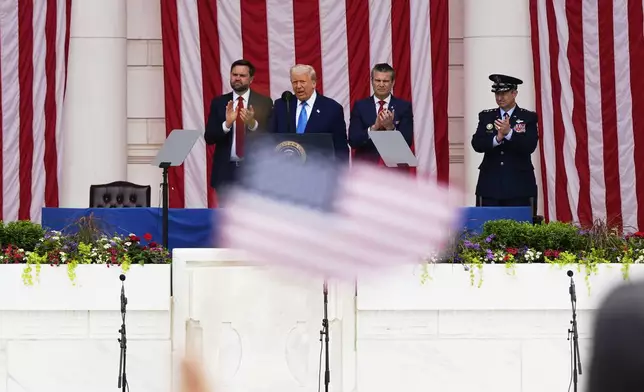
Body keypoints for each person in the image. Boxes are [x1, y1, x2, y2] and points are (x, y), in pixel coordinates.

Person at [471, 73, 539, 215]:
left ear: (514, 93)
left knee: (520, 231)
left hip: (519, 185)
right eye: (497, 94)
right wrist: (497, 138)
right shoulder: (486, 116)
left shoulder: (528, 117)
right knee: (486, 230)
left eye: (504, 93)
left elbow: (530, 145)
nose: (499, 98)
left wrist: (509, 133)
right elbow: (477, 144)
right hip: (490, 184)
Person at [204, 59, 273, 193]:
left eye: (242, 76)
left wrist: (252, 124)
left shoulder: (264, 102)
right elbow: (209, 137)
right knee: (226, 214)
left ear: (251, 79)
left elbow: (270, 137)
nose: (237, 78)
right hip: (226, 173)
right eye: (234, 75)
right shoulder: (219, 102)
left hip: (253, 171)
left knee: (252, 214)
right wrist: (227, 124)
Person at [269, 64, 348, 161]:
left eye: (302, 82)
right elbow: (271, 140)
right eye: (294, 82)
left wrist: (341, 174)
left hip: (320, 170)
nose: (298, 86)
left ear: (314, 83)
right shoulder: (282, 106)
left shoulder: (332, 109)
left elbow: (341, 148)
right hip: (287, 169)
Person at [348, 63, 413, 164]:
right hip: (367, 169)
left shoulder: (404, 107)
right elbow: (353, 141)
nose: (381, 84)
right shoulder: (360, 106)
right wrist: (374, 128)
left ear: (393, 82)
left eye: (386, 81)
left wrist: (390, 128)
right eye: (378, 80)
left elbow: (407, 143)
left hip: (394, 170)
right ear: (372, 81)